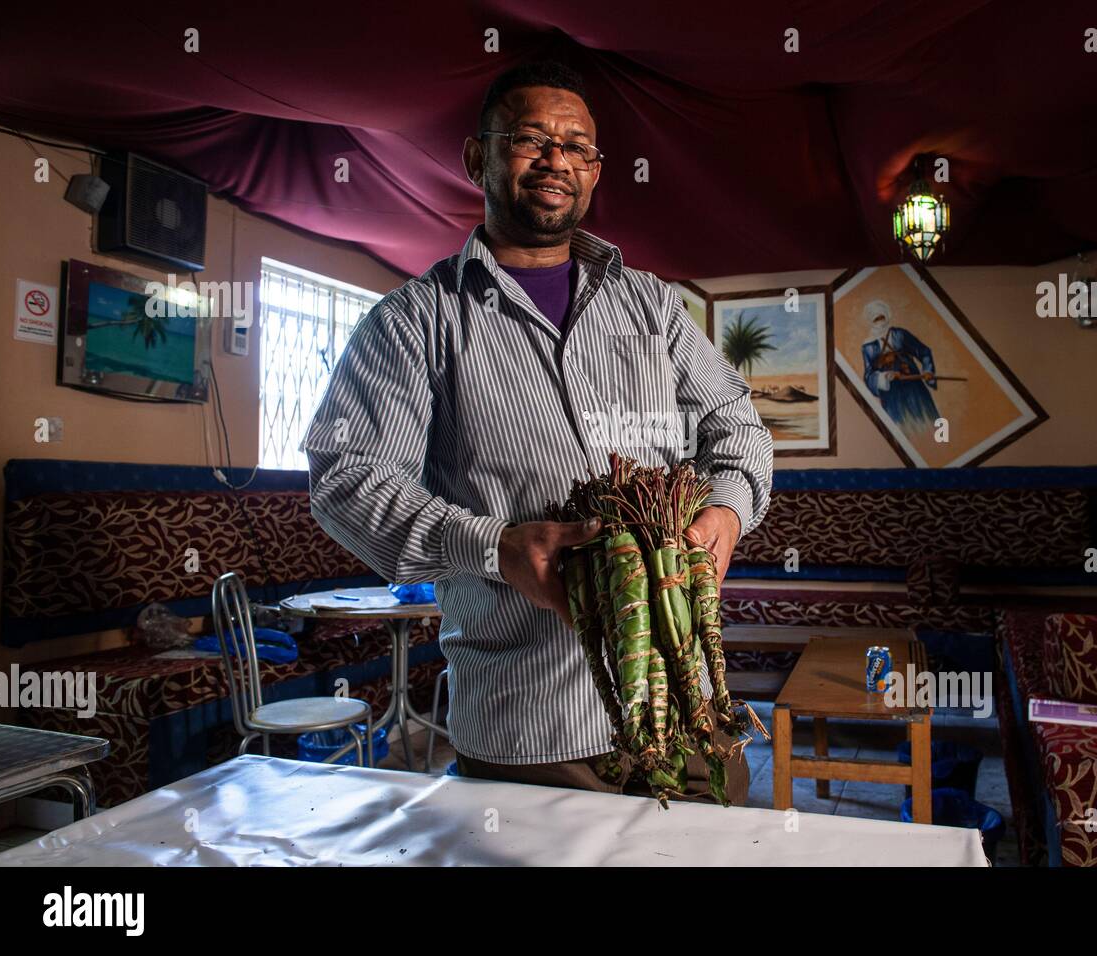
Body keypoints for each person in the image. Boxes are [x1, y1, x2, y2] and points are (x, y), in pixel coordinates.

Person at [303, 61, 773, 804]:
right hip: (531, 730)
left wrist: (726, 512)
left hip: (689, 705)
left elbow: (736, 424)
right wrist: (493, 547)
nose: (556, 160)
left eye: (578, 147)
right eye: (530, 139)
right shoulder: (413, 322)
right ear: (476, 156)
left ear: (595, 171)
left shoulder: (649, 305)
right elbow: (347, 481)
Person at [860, 299, 940, 431]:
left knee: (928, 424)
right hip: (891, 396)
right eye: (876, 319)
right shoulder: (868, 346)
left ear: (887, 316)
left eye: (882, 317)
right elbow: (868, 376)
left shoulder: (900, 334)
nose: (880, 322)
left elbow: (924, 352)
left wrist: (928, 370)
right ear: (870, 321)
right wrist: (885, 377)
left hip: (914, 388)